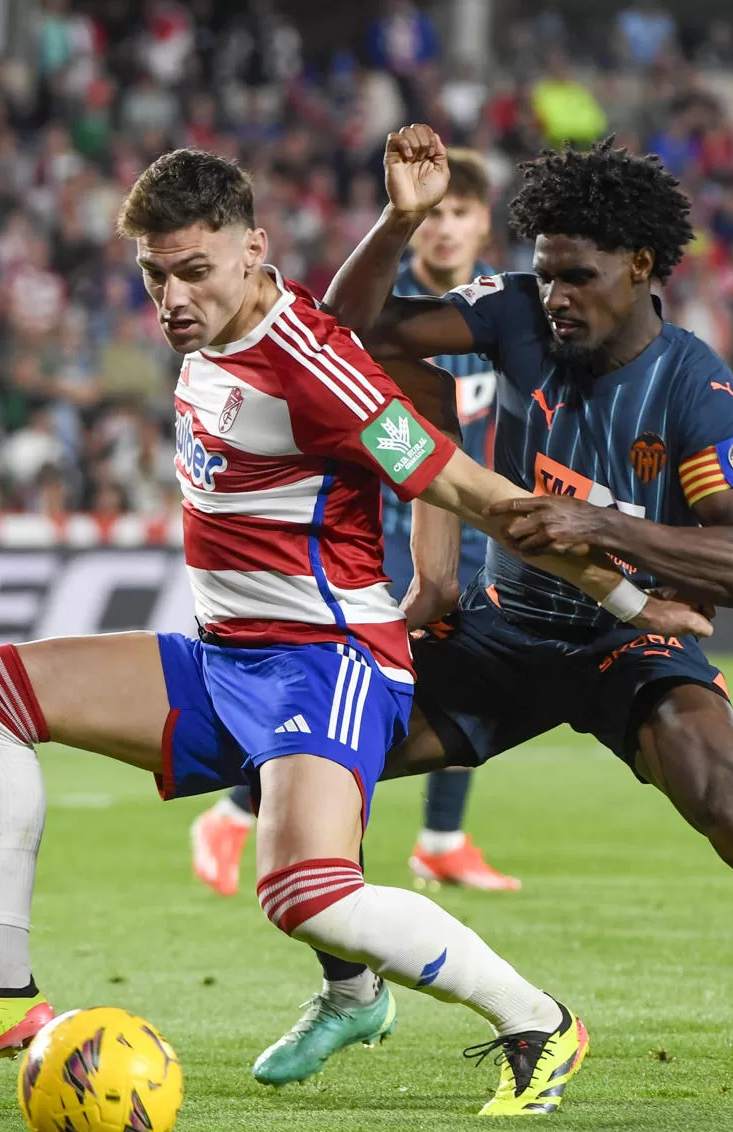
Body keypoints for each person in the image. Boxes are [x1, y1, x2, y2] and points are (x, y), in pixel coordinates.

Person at [0, 148, 708, 1116]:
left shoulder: (314, 372)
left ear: (253, 249)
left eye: (194, 271)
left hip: (328, 663)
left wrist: (631, 602)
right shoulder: (219, 329)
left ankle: (538, 1022)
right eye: (154, 275)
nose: (172, 299)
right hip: (227, 656)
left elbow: (475, 492)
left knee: (302, 892)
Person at [290, 125, 733, 1115]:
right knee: (307, 765)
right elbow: (341, 330)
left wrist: (602, 525)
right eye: (546, 273)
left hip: (627, 639)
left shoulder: (696, 389)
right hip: (503, 634)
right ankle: (353, 993)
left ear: (639, 266)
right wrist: (399, 218)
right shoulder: (514, 313)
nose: (555, 296)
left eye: (577, 277)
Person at [189, 148, 519, 921]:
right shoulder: (386, 304)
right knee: (371, 682)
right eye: (435, 214)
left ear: (483, 224)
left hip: (468, 521)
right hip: (386, 523)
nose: (444, 228)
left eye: (461, 214)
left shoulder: (500, 309)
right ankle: (243, 809)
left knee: (466, 671)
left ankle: (440, 838)